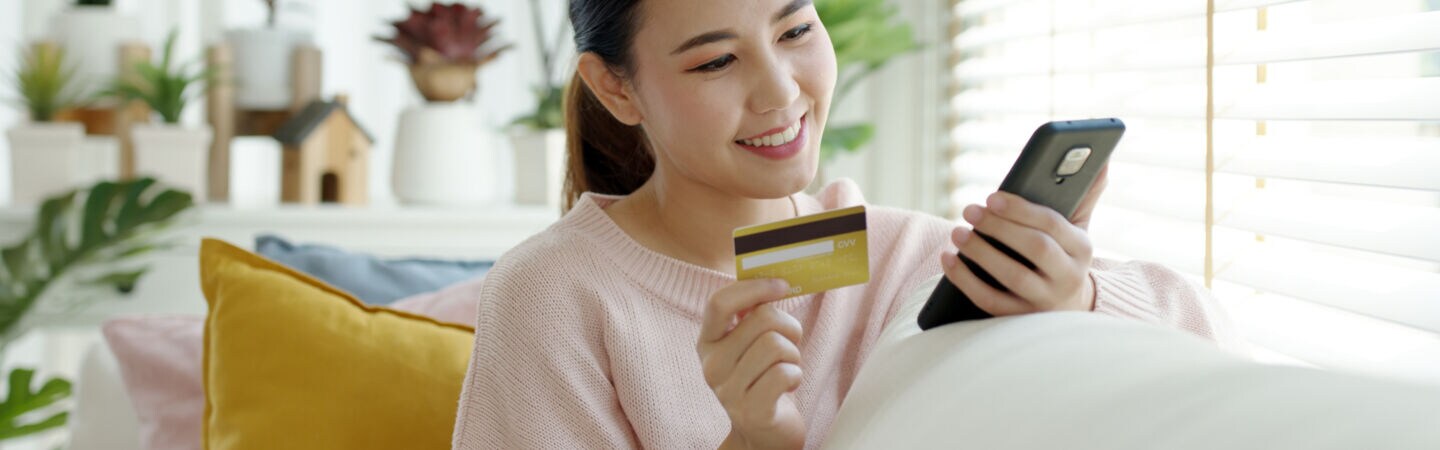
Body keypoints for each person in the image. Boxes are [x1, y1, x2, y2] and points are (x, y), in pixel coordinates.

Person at [451, 0, 1233, 448]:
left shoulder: (904, 257)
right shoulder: (553, 296)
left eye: (795, 30)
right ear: (615, 90)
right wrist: (753, 444)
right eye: (714, 62)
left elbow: (1211, 352)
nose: (779, 92)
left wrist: (1078, 301)